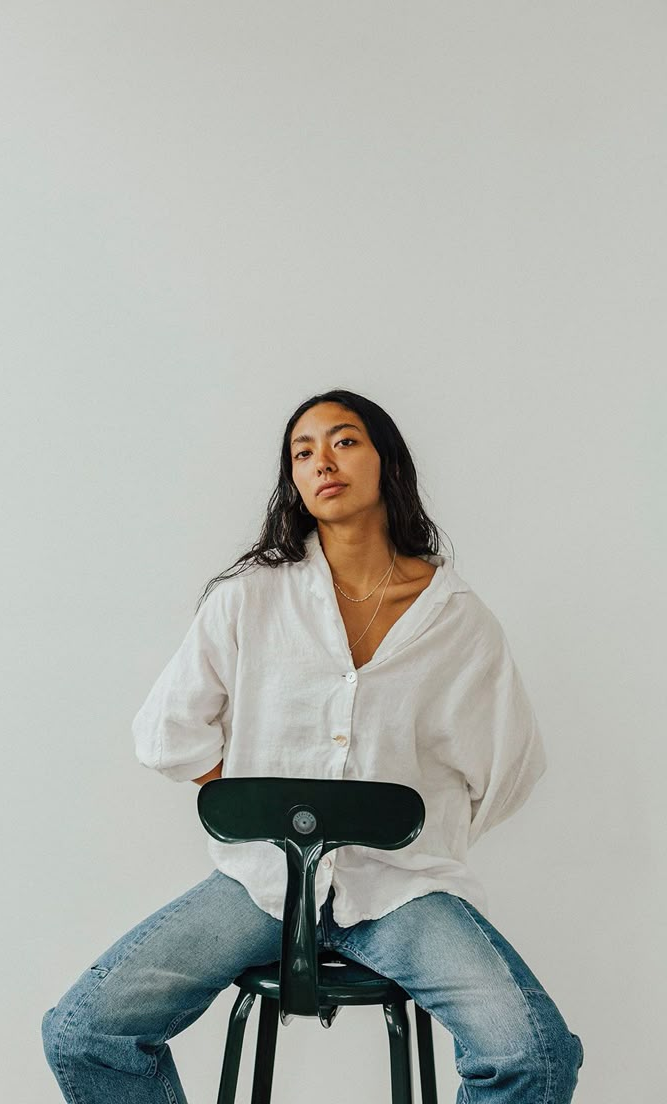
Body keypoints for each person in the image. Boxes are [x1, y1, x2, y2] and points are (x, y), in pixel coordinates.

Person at [41, 388, 584, 1103]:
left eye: (344, 441)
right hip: (259, 884)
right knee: (84, 1032)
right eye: (303, 451)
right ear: (294, 481)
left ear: (387, 461)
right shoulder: (252, 596)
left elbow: (509, 766)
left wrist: (420, 838)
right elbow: (167, 732)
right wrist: (262, 800)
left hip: (400, 888)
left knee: (534, 1054)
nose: (322, 460)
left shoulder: (458, 620)